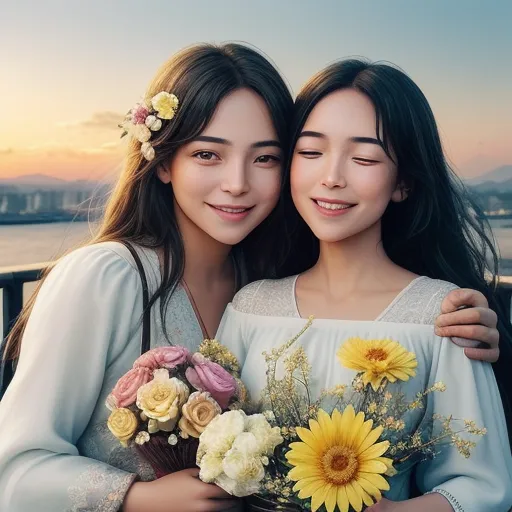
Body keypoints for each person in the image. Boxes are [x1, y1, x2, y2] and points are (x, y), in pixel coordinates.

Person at [0, 44, 500, 511]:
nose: (237, 183)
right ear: (162, 161)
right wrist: (136, 498)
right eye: (206, 154)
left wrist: (445, 319)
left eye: (265, 158)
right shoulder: (107, 276)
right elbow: (13, 467)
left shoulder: (262, 283)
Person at [216, 59, 512, 511]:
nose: (332, 177)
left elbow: (482, 485)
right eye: (311, 152)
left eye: (365, 157)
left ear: (404, 183)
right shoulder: (251, 305)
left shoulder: (442, 315)